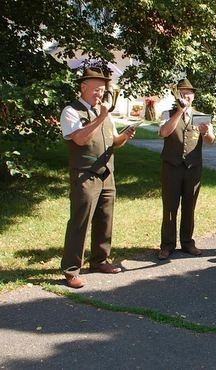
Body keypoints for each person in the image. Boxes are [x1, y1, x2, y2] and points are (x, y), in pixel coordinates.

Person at [59, 67, 136, 288]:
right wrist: (101, 116)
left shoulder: (103, 112)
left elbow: (113, 141)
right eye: (96, 90)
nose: (100, 94)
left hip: (106, 173)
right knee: (80, 221)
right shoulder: (71, 111)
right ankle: (71, 270)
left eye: (102, 90)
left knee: (105, 219)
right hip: (85, 174)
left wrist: (125, 136)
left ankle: (100, 260)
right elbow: (80, 139)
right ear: (83, 87)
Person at [158, 79, 216, 260]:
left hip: (193, 167)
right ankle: (167, 245)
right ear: (176, 96)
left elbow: (211, 141)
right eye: (181, 93)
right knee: (170, 207)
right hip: (171, 167)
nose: (185, 95)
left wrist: (206, 131)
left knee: (189, 206)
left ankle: (187, 242)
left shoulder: (201, 115)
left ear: (194, 95)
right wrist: (179, 112)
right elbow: (164, 133)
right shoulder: (167, 113)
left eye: (188, 93)